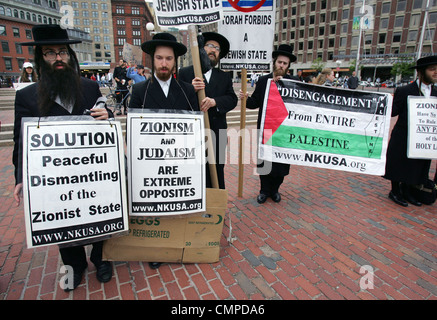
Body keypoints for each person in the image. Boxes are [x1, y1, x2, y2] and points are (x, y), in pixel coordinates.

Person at [13, 24, 114, 291]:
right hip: (55, 177)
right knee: (64, 220)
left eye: (62, 52)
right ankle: (74, 265)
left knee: (99, 212)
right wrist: (20, 177)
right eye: (49, 53)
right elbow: (20, 141)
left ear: (70, 55)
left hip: (93, 172)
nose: (58, 58)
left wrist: (109, 117)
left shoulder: (90, 88)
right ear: (40, 58)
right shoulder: (26, 97)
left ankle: (101, 258)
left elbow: (105, 119)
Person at [129, 33, 199, 269]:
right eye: (159, 58)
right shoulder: (140, 91)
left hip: (181, 160)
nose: (164, 63)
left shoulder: (188, 90)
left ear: (175, 61)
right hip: (151, 163)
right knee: (156, 206)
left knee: (180, 204)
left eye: (169, 58)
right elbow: (134, 129)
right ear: (152, 60)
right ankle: (158, 248)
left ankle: (180, 243)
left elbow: (194, 127)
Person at [179, 32, 237, 189]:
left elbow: (232, 99)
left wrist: (215, 102)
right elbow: (176, 100)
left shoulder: (224, 77)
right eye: (210, 46)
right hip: (192, 134)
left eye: (217, 48)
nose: (214, 50)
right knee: (194, 170)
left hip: (217, 133)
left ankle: (216, 206)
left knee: (217, 170)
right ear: (201, 49)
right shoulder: (184, 73)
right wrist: (190, 89)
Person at [240, 44, 296, 204]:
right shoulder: (264, 80)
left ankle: (275, 190)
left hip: (284, 131)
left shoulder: (294, 82)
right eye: (279, 62)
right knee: (265, 162)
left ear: (288, 66)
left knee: (281, 164)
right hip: (266, 129)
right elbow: (254, 102)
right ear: (274, 62)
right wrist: (245, 98)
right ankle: (264, 190)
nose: (281, 65)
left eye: (285, 64)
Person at [384, 55, 437, 207]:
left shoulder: (436, 92)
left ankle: (408, 191)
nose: (435, 73)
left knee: (417, 165)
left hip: (423, 137)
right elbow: (393, 112)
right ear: (421, 72)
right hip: (404, 135)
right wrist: (384, 103)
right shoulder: (405, 90)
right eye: (432, 69)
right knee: (399, 163)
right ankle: (395, 191)